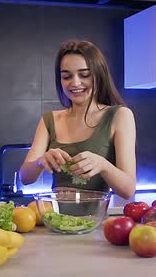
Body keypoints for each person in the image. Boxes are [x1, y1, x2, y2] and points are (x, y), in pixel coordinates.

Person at [19, 40, 136, 199]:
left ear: (98, 75)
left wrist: (103, 165)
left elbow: (128, 190)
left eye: (84, 75)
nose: (75, 83)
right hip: (56, 220)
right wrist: (41, 161)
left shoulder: (120, 116)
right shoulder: (49, 119)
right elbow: (25, 178)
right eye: (66, 76)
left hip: (95, 221)